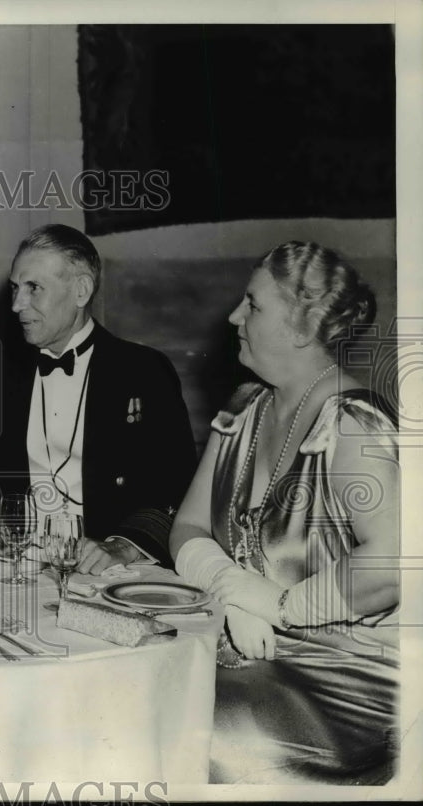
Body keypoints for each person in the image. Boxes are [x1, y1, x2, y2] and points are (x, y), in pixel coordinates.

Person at [169, 241, 399, 784]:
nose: (233, 317)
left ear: (301, 326)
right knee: (142, 699)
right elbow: (187, 526)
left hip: (350, 678)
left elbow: (394, 564)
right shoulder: (244, 407)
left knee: (197, 737)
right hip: (251, 659)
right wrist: (228, 583)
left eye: (253, 305)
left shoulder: (353, 425)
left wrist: (280, 605)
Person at [0, 224, 196, 570]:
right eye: (15, 288)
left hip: (104, 567)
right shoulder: (9, 376)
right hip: (21, 564)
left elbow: (175, 487)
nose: (16, 305)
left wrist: (121, 547)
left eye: (33, 288)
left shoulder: (143, 371)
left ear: (81, 290)